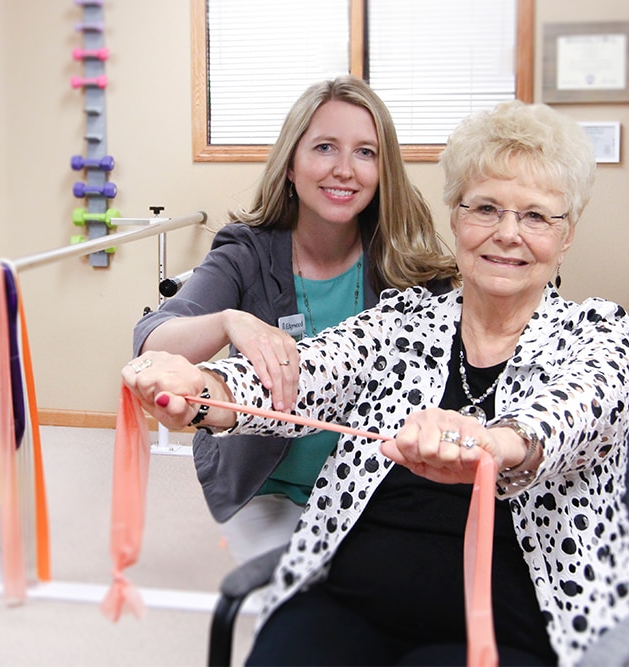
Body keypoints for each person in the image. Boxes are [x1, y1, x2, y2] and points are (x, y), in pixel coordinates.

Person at [123, 100, 629, 666]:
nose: (506, 234)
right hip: (351, 599)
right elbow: (308, 369)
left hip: (510, 619)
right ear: (455, 216)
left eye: (536, 217)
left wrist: (489, 443)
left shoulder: (598, 330)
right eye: (486, 208)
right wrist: (204, 392)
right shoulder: (404, 320)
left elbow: (571, 414)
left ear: (567, 235)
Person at [132, 75, 456, 563]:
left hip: (373, 485)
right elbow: (151, 341)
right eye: (325, 147)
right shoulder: (247, 250)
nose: (345, 170)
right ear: (291, 163)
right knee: (305, 606)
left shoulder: (405, 261)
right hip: (270, 485)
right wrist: (227, 321)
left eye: (365, 152)